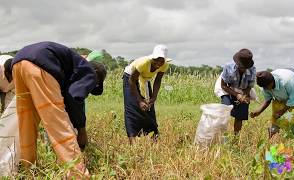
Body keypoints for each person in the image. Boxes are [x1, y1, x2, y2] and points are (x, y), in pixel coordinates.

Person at [4, 41, 107, 178]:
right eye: (95, 84)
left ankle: (28, 169)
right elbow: (74, 98)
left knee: (26, 123)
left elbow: (68, 94)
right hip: (41, 62)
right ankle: (78, 174)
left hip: (18, 62)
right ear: (96, 76)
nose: (92, 86)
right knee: (58, 123)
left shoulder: (74, 66)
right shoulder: (89, 72)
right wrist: (81, 129)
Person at [123, 44, 170, 144]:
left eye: (162, 61)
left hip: (145, 80)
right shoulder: (143, 63)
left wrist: (154, 97)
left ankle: (154, 138)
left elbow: (157, 80)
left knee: (149, 108)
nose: (159, 63)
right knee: (132, 107)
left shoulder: (165, 65)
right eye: (157, 59)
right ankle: (133, 141)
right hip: (130, 78)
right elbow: (132, 80)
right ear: (153, 57)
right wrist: (139, 100)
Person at [250, 69, 294, 138]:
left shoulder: (287, 82)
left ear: (272, 82)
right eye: (264, 87)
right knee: (277, 104)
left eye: (266, 87)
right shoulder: (265, 85)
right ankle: (274, 131)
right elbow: (267, 100)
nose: (266, 89)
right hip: (284, 76)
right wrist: (258, 111)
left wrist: (281, 112)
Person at [215, 49, 256, 135]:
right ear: (237, 64)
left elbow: (249, 86)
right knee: (225, 111)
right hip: (227, 88)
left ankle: (236, 138)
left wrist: (245, 95)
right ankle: (223, 137)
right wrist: (237, 95)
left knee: (240, 116)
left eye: (246, 68)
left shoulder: (252, 70)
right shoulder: (228, 67)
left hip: (242, 89)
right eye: (242, 67)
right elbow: (223, 86)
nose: (244, 70)